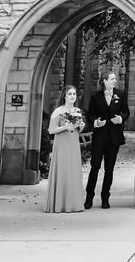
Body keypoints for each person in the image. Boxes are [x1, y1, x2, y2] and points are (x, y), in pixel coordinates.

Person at [84, 71, 129, 209]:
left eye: (115, 78)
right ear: (104, 81)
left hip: (114, 138)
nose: (115, 81)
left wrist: (121, 119)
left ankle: (105, 198)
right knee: (95, 167)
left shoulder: (120, 94)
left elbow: (126, 111)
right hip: (99, 137)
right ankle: (89, 197)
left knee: (109, 169)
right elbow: (90, 115)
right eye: (112, 79)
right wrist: (96, 122)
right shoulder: (95, 96)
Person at [44, 85, 85, 213]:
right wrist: (65, 128)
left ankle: (73, 204)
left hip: (73, 144)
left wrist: (80, 125)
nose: (73, 96)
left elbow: (78, 128)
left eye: (74, 94)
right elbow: (51, 130)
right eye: (70, 94)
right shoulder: (58, 111)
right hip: (62, 144)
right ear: (65, 96)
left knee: (73, 171)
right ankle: (59, 203)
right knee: (63, 171)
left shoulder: (77, 110)